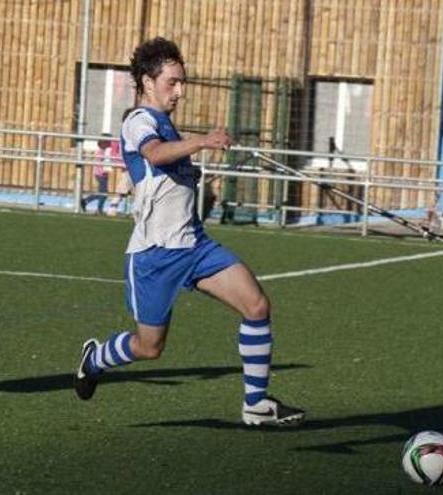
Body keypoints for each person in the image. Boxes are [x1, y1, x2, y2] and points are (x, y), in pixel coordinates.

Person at [73, 37, 304, 426]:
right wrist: (202, 141)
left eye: (183, 83)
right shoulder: (138, 121)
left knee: (257, 306)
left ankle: (256, 405)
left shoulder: (165, 123)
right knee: (150, 347)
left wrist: (194, 157)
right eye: (172, 82)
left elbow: (171, 166)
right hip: (155, 255)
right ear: (147, 82)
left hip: (194, 245)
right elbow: (155, 154)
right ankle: (95, 358)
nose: (180, 91)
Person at [81, 136, 115, 214]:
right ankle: (97, 208)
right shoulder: (100, 153)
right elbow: (99, 164)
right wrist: (103, 171)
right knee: (103, 194)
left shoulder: (103, 152)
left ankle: (86, 201)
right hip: (101, 175)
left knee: (102, 193)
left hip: (102, 174)